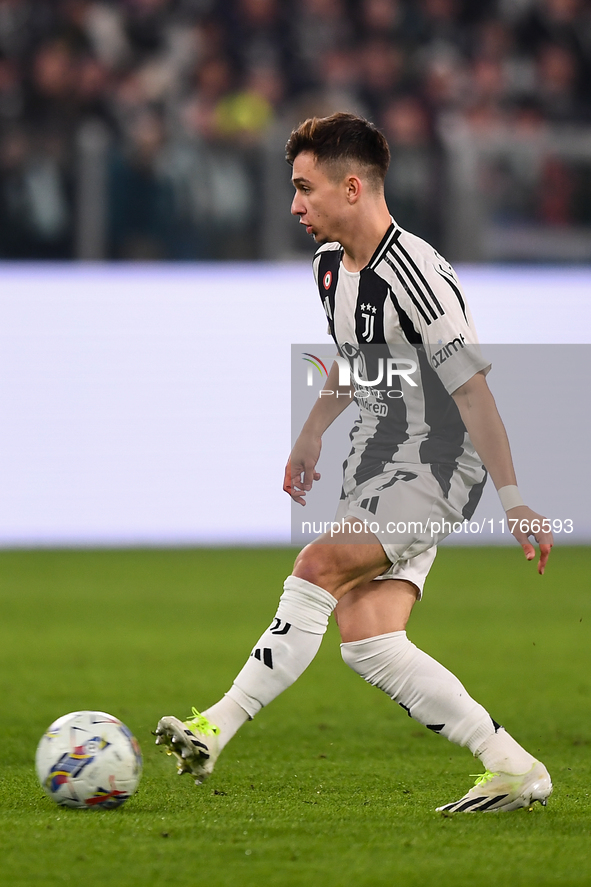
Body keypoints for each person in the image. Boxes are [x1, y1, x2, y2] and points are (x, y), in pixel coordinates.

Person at [156, 112, 553, 813]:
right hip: (373, 464)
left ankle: (213, 726)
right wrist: (311, 434)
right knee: (368, 639)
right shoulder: (327, 270)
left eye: (303, 188)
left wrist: (513, 496)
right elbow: (353, 363)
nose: (293, 205)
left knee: (316, 566)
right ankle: (512, 765)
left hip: (434, 466)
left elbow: (472, 391)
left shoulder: (418, 276)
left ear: (350, 186)